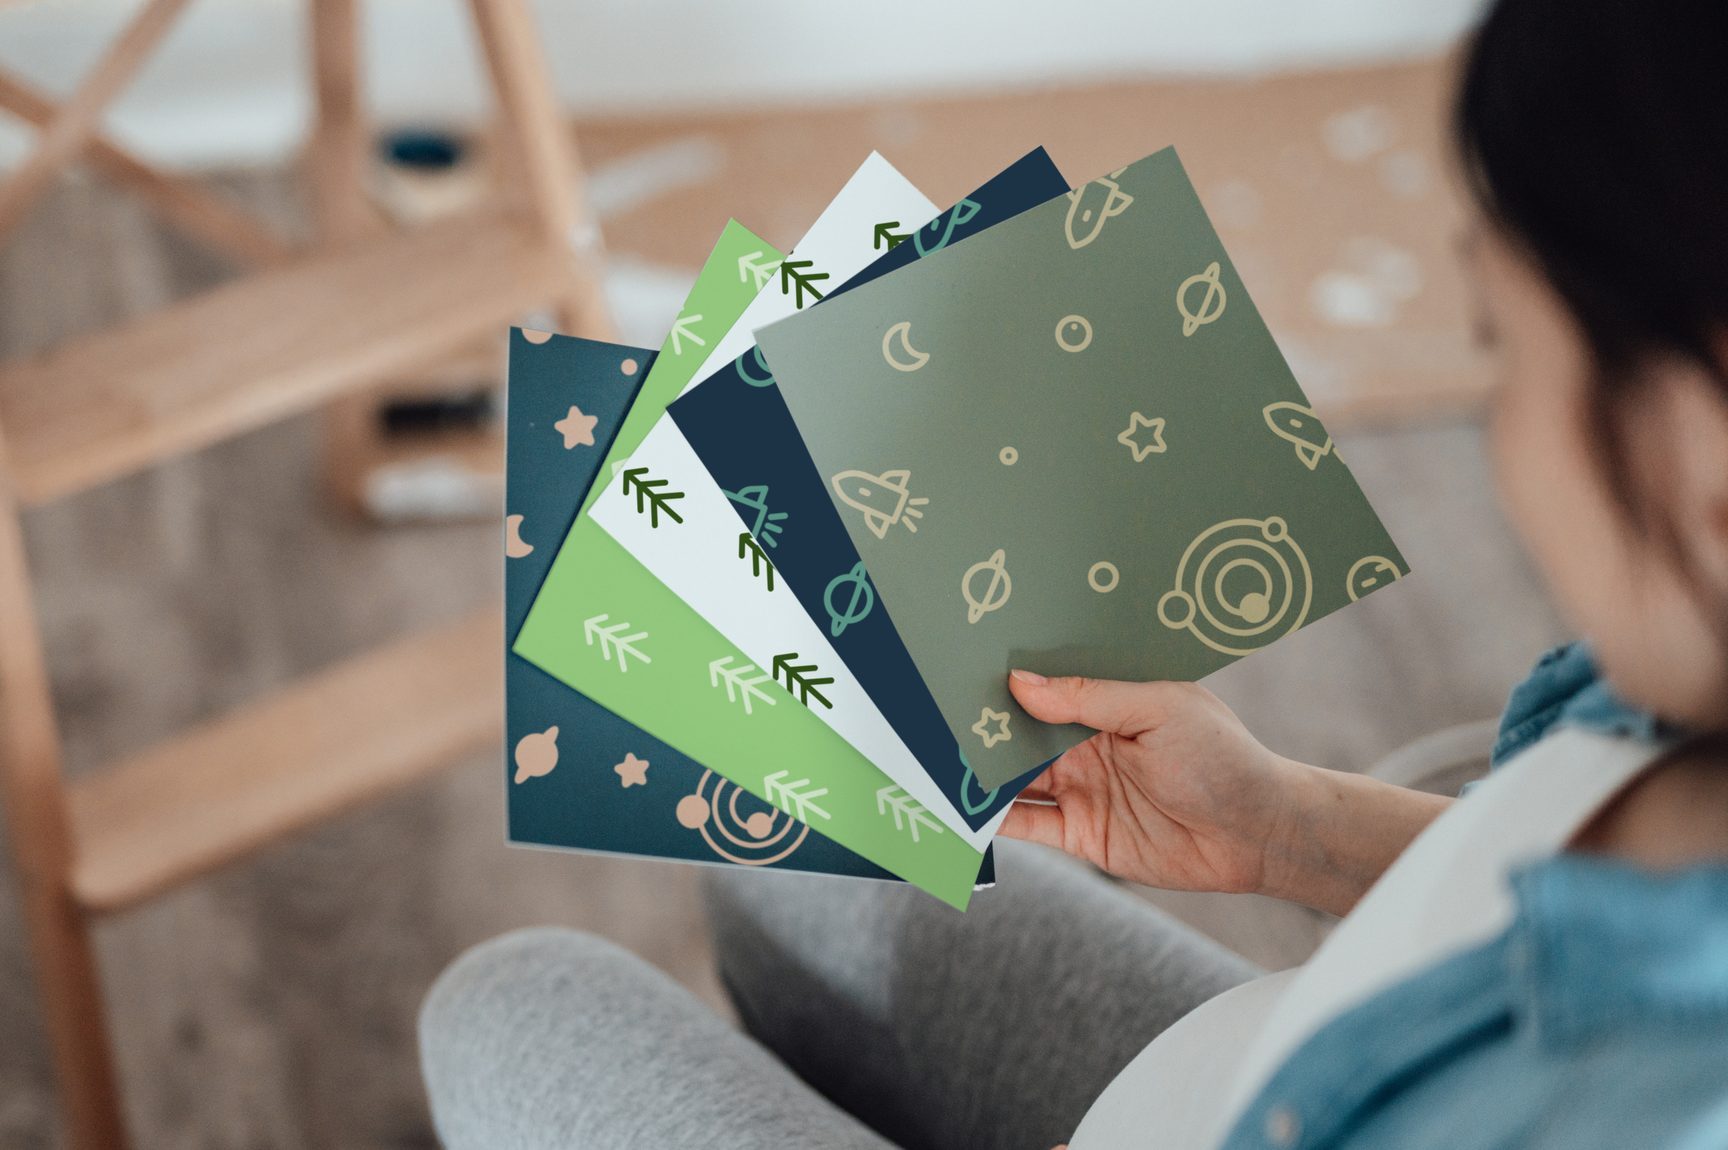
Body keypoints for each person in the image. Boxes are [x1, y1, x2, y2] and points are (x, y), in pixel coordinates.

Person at [418, 0, 1728, 1145]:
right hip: (1276, 1069)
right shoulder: (1673, 701)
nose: (1500, 440)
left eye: (1509, 353)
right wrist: (1281, 822)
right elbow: (1560, 907)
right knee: (780, 845)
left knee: (512, 999)